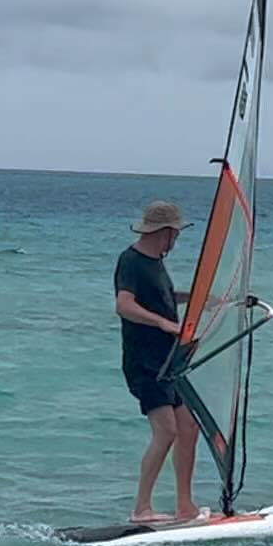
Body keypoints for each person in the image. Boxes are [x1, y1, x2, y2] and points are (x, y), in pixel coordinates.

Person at [113, 200, 206, 523]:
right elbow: (124, 305)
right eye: (176, 234)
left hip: (170, 361)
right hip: (144, 362)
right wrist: (165, 324)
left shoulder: (157, 263)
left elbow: (161, 297)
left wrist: (199, 299)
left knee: (189, 427)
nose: (177, 240)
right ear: (164, 233)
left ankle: (185, 505)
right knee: (166, 431)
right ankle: (141, 508)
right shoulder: (132, 261)